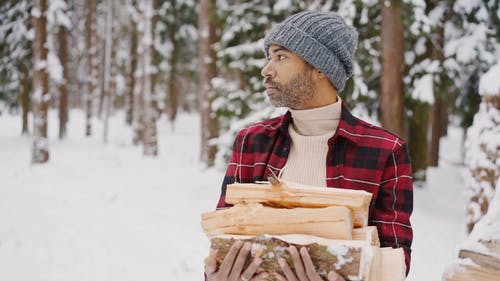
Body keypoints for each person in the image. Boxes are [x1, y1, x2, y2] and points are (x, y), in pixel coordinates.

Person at [204, 11, 413, 281]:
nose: (266, 70)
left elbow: (395, 264)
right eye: (269, 57)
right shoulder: (252, 142)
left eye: (281, 57)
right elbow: (223, 238)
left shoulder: (385, 151)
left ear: (320, 69)